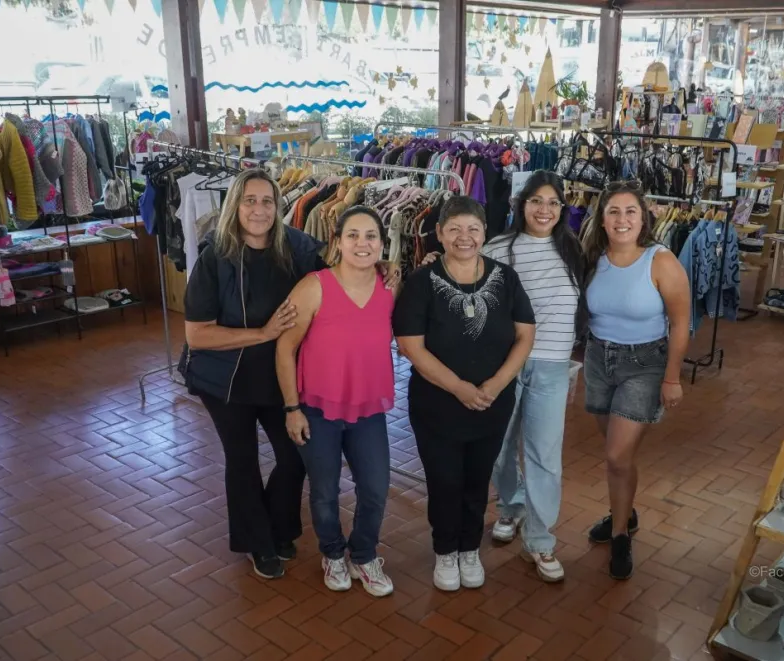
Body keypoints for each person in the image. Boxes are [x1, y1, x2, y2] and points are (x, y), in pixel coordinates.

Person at [182, 169, 397, 581]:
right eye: (250, 200)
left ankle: (280, 528)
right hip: (224, 376)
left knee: (295, 458)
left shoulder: (295, 245)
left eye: (267, 201)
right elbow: (197, 335)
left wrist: (380, 262)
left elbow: (345, 261)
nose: (259, 209)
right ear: (235, 206)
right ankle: (258, 542)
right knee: (242, 460)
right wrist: (261, 333)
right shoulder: (215, 256)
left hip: (278, 373)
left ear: (278, 205)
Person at [394, 196, 535, 592]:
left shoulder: (506, 278)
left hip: (491, 403)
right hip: (436, 405)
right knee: (444, 481)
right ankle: (445, 551)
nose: (464, 236)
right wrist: (458, 387)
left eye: (473, 228)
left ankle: (469, 548)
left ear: (484, 233)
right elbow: (410, 345)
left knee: (477, 481)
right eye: (454, 228)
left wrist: (496, 384)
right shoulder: (422, 282)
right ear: (439, 233)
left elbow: (525, 335)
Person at [275, 206, 397, 598]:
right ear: (338, 242)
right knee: (325, 490)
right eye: (353, 235)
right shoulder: (314, 285)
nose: (363, 243)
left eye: (371, 236)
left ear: (382, 243)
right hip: (317, 408)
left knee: (375, 488)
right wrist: (292, 409)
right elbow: (285, 347)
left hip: (368, 409)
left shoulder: (390, 285)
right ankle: (332, 551)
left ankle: (363, 554)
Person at [581, 182, 690, 581]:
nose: (621, 219)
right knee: (616, 456)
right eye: (613, 211)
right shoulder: (593, 256)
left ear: (643, 218)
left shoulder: (660, 261)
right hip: (598, 360)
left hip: (645, 364)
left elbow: (680, 322)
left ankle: (621, 532)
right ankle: (623, 509)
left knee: (617, 457)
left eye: (630, 211)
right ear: (602, 218)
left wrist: (673, 377)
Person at [483, 171, 584, 583]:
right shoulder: (498, 248)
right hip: (503, 364)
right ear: (520, 204)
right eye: (536, 201)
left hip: (552, 365)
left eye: (553, 203)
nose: (544, 210)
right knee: (499, 449)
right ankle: (512, 505)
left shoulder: (576, 250)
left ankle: (541, 541)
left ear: (562, 209)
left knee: (545, 456)